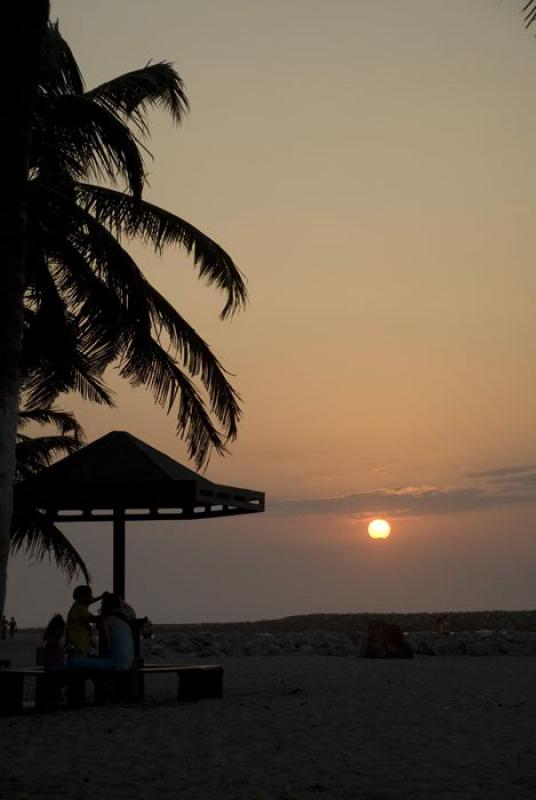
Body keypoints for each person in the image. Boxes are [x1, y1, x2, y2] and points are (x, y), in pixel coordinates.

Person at [69, 593, 134, 671]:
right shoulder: (125, 621)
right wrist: (119, 600)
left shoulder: (107, 621)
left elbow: (108, 647)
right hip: (128, 663)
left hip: (116, 664)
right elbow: (130, 610)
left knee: (74, 662)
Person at [65, 585, 103, 657]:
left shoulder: (77, 606)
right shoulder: (80, 609)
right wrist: (107, 616)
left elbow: (90, 601)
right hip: (78, 647)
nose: (91, 597)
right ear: (84, 597)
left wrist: (100, 597)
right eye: (90, 595)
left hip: (79, 646)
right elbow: (91, 618)